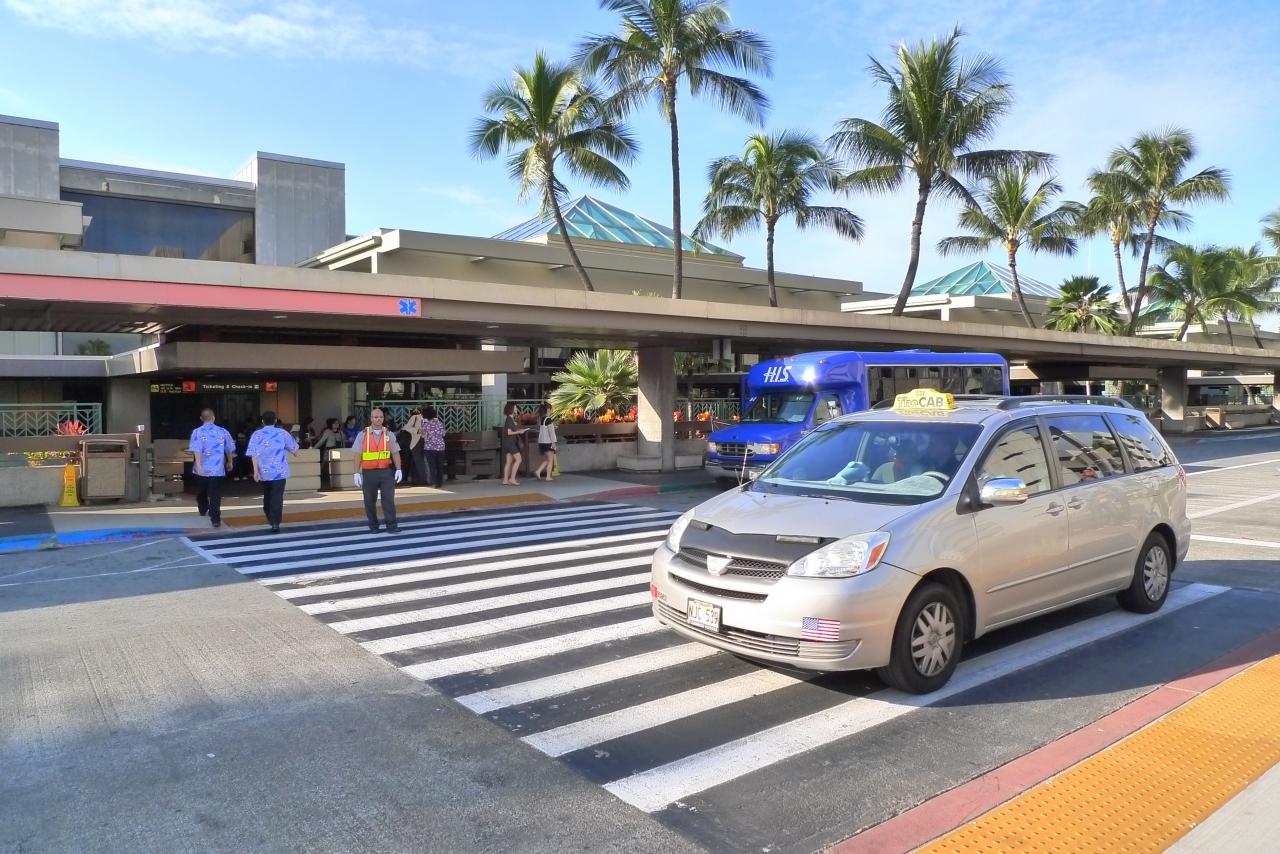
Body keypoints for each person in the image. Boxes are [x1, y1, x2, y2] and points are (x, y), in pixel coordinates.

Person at [351, 407, 403, 533]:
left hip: (386, 472)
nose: (378, 419)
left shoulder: (389, 434)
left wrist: (398, 469)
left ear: (383, 418)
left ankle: (392, 526)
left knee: (388, 500)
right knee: (369, 501)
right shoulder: (363, 434)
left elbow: (395, 453)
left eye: (380, 417)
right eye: (375, 417)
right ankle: (373, 526)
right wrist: (356, 472)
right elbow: (357, 455)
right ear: (371, 418)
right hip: (369, 473)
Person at [246, 410, 299, 533]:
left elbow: (253, 454)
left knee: (268, 495)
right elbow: (295, 450)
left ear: (262, 421)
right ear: (275, 421)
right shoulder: (283, 433)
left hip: (264, 472)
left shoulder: (256, 434)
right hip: (280, 472)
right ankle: (275, 522)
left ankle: (270, 516)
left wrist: (255, 471)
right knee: (277, 497)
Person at [188, 408, 235, 528]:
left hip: (201, 469)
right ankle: (215, 519)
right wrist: (230, 461)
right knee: (215, 494)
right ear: (213, 418)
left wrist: (198, 465)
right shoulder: (223, 431)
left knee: (202, 491)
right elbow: (229, 448)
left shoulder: (197, 432)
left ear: (201, 418)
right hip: (217, 469)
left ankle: (203, 508)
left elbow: (196, 449)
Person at [500, 401, 531, 486]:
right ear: (511, 409)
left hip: (508, 443)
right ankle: (512, 478)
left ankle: (505, 480)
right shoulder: (509, 420)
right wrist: (519, 432)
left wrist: (520, 430)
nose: (516, 409)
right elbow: (509, 432)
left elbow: (510, 431)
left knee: (508, 462)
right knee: (519, 459)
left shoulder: (509, 419)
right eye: (515, 407)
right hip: (511, 443)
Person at [421, 406, 447, 488]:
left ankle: (434, 482)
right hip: (440, 447)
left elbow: (423, 436)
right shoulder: (440, 423)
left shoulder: (425, 425)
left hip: (430, 448)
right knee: (440, 465)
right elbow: (443, 434)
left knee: (432, 466)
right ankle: (440, 482)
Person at [533, 403, 558, 482]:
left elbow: (546, 429)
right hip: (548, 442)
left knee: (547, 459)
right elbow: (551, 432)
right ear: (548, 410)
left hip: (542, 442)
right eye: (551, 409)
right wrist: (553, 443)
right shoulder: (548, 419)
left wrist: (553, 427)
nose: (551, 410)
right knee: (550, 460)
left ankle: (538, 471)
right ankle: (548, 477)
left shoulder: (542, 419)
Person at [402, 406, 424, 485]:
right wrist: (417, 431)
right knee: (417, 461)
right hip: (415, 442)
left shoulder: (431, 419)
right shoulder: (415, 417)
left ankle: (418, 479)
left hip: (425, 442)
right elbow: (406, 427)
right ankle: (419, 480)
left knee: (419, 461)